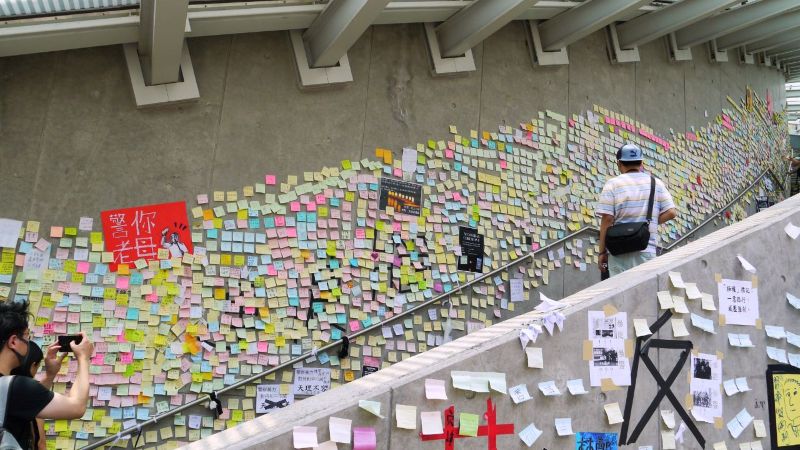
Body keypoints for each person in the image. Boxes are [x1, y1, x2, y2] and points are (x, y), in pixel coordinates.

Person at [0, 301, 94, 449]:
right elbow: (77, 407)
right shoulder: (14, 387)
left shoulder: (11, 391)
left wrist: (50, 375)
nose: (28, 342)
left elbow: (22, 402)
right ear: (13, 342)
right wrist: (83, 358)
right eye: (27, 337)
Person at [596, 143, 678, 277]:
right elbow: (671, 212)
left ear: (619, 164)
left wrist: (602, 252)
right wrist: (647, 223)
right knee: (644, 293)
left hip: (618, 250)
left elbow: (607, 219)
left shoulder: (612, 184)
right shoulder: (655, 183)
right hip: (646, 248)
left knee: (618, 293)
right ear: (641, 163)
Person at [9, 341, 59, 450]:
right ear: (33, 365)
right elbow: (41, 444)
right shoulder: (29, 400)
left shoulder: (7, 389)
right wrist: (83, 359)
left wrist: (50, 375)